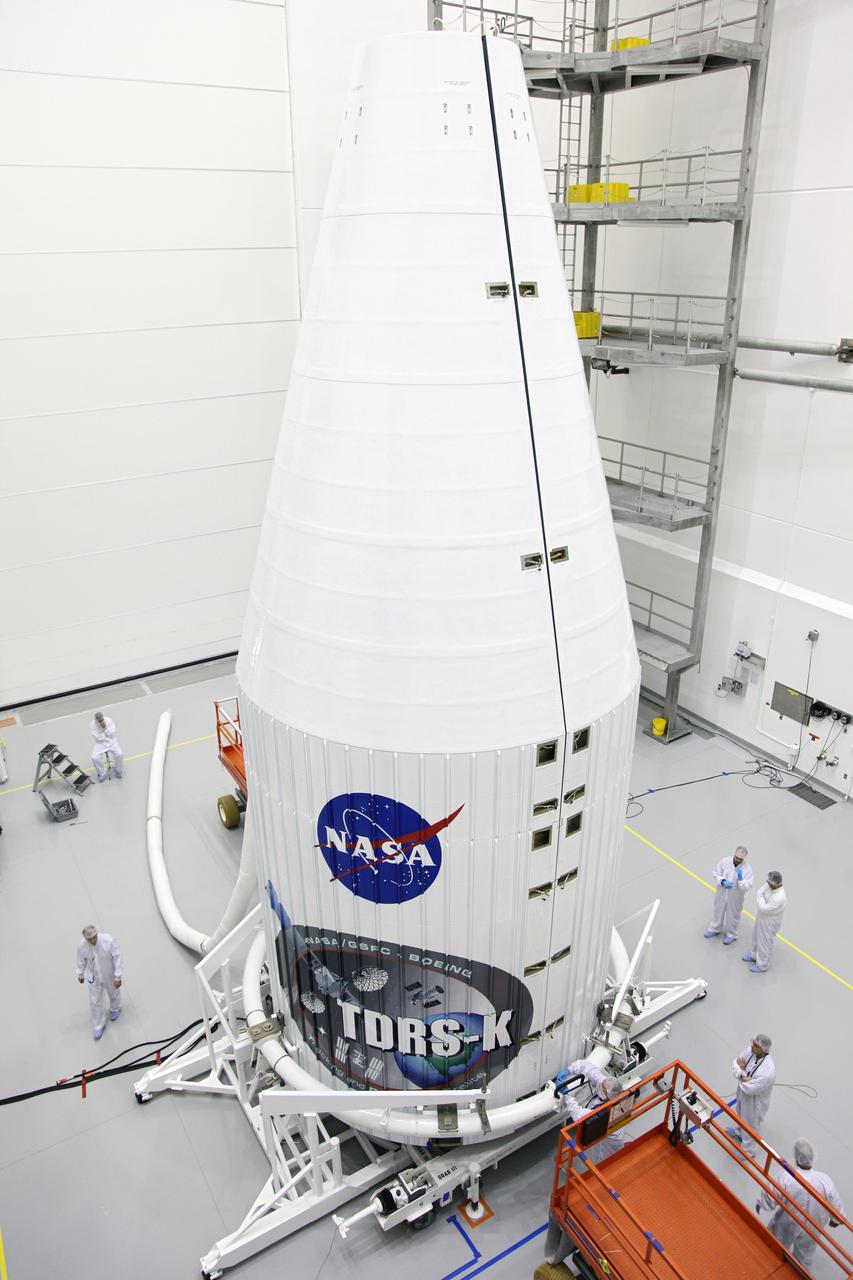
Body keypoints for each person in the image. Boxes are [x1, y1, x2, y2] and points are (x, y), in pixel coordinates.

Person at [757, 1138, 845, 1267]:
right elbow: (837, 1207)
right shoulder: (825, 1181)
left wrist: (762, 1204)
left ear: (796, 1157)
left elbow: (771, 1195)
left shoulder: (786, 1176)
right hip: (813, 1227)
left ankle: (765, 1265)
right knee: (805, 1254)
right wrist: (835, 1220)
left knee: (775, 1243)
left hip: (787, 1222)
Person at [565, 1057, 630, 1162]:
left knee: (601, 1163)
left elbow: (579, 1115)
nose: (600, 1083)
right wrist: (570, 1069)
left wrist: (567, 1097)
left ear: (607, 1097)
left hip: (606, 1148)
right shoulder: (609, 1090)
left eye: (602, 1086)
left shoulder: (608, 1115)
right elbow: (589, 1068)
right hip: (605, 1136)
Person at [728, 1034, 775, 1156]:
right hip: (741, 1091)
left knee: (750, 1122)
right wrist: (743, 1075)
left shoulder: (768, 1070)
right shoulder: (751, 1051)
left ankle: (748, 1150)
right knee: (739, 1111)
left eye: (756, 1045)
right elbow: (735, 1063)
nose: (752, 1046)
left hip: (755, 1101)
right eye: (753, 1042)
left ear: (763, 1050)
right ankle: (739, 1132)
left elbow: (751, 1089)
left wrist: (741, 1072)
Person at [76, 925, 123, 1040]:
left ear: (97, 934)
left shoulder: (108, 940)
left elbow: (117, 957)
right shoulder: (82, 946)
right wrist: (80, 974)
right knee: (95, 1001)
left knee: (113, 992)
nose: (93, 940)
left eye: (94, 937)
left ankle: (115, 1008)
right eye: (89, 939)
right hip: (94, 976)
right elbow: (80, 961)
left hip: (108, 972)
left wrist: (118, 976)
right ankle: (98, 1025)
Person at [704, 845, 753, 944]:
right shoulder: (725, 861)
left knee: (733, 915)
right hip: (722, 894)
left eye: (740, 859)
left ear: (744, 858)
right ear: (734, 854)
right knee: (718, 910)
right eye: (736, 857)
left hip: (735, 898)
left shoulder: (747, 869)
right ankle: (715, 928)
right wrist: (722, 881)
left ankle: (732, 934)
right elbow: (716, 873)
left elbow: (746, 887)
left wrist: (740, 879)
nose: (738, 860)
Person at [743, 870, 786, 972]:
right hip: (762, 917)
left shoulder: (779, 898)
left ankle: (762, 965)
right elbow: (759, 893)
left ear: (775, 883)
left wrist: (760, 896)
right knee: (756, 936)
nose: (767, 883)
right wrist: (760, 896)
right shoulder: (770, 885)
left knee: (764, 942)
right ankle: (754, 955)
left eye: (769, 882)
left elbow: (763, 907)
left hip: (770, 923)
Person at [90, 710, 123, 782]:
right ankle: (102, 773)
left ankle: (117, 769)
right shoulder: (93, 725)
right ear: (96, 720)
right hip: (100, 743)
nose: (101, 722)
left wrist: (105, 728)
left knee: (119, 754)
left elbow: (112, 732)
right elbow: (97, 737)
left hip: (111, 741)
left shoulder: (109, 720)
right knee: (94, 758)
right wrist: (104, 733)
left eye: (102, 720)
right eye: (99, 721)